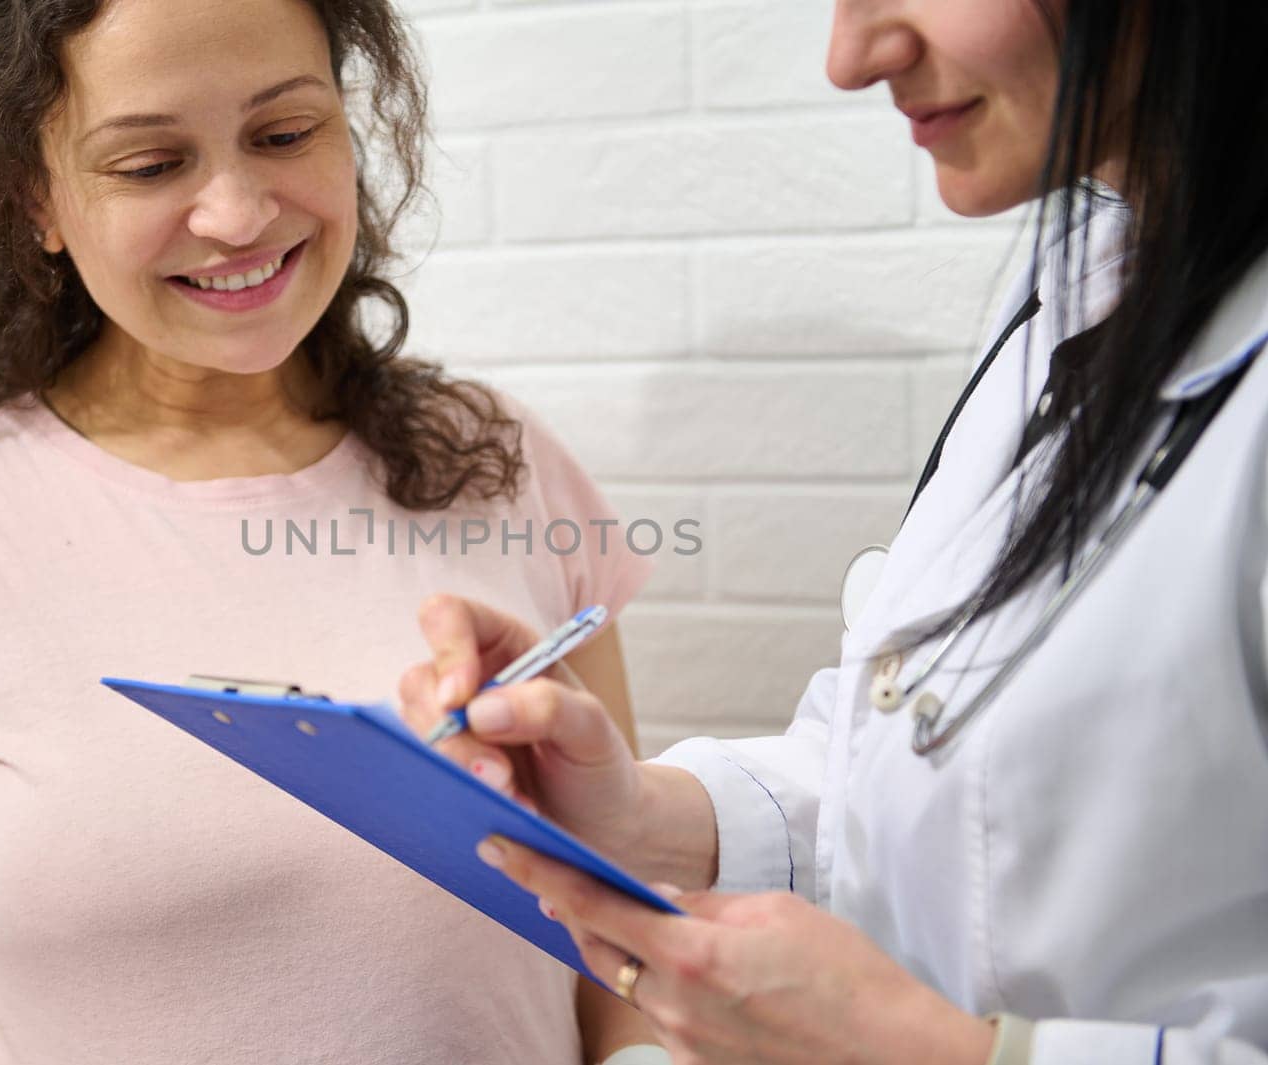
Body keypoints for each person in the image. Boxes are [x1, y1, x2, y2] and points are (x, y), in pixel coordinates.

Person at [0, 1, 663, 1061]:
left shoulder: (500, 460)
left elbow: (618, 923)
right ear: (38, 199)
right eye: (151, 163)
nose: (239, 214)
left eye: (286, 134)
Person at [399, 1, 1268, 1062]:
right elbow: (936, 781)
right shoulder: (1083, 282)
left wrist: (937, 1054)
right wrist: (645, 816)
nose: (851, 59)